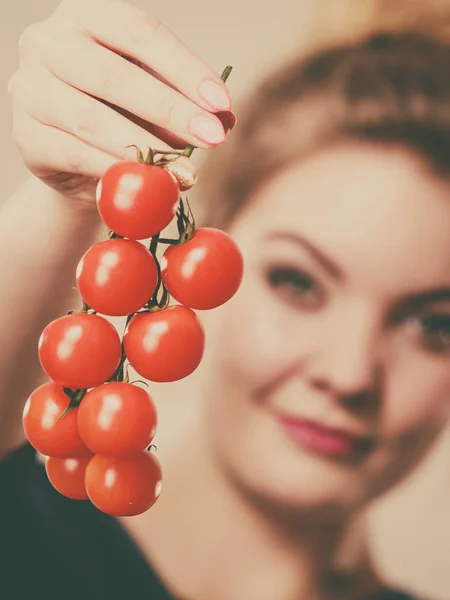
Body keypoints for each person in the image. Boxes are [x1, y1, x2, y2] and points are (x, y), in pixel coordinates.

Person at [1, 0, 449, 599]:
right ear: (210, 231)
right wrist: (70, 193)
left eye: (434, 326)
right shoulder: (25, 533)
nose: (349, 375)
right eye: (299, 283)